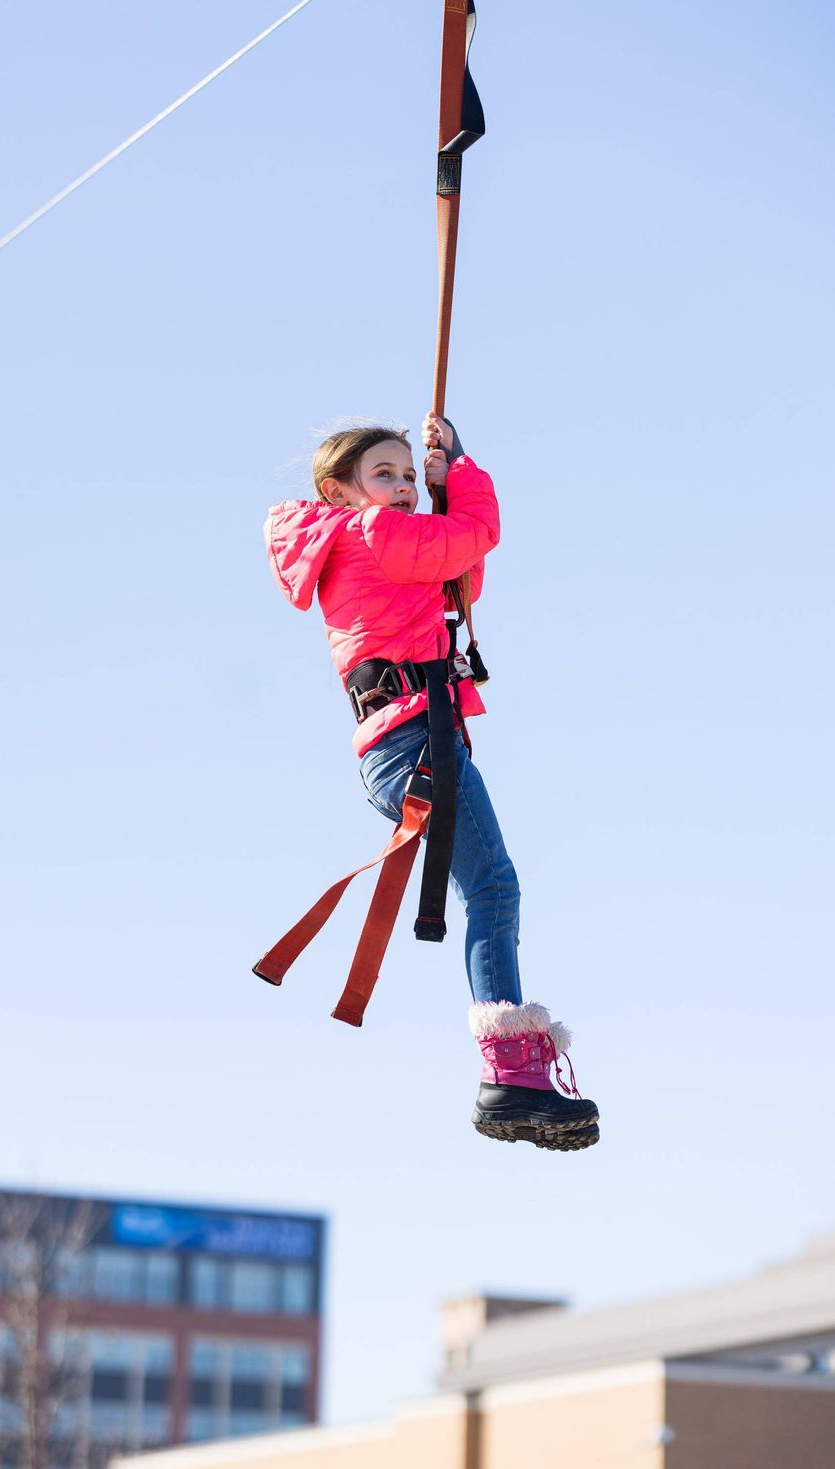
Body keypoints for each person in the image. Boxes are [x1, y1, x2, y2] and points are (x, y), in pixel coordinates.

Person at [263, 413, 599, 1151]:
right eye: (386, 474)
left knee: (493, 889)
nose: (405, 486)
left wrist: (446, 495)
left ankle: (513, 1072)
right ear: (340, 492)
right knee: (495, 890)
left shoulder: (377, 539)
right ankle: (509, 1071)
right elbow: (473, 540)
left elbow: (461, 576)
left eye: (411, 474)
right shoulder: (374, 533)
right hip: (417, 736)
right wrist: (466, 475)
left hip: (410, 737)